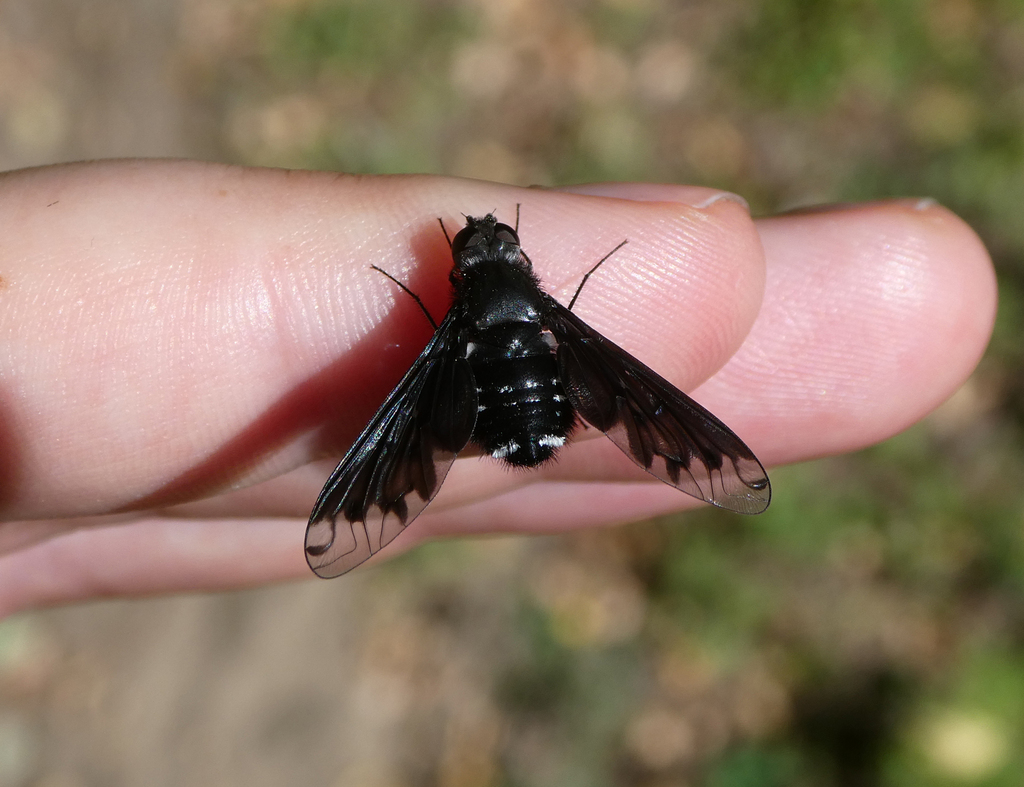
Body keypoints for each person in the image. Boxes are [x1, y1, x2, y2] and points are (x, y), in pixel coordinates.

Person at [0, 160, 997, 616]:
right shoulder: (541, 314)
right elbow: (614, 389)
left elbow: (440, 367)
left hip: (495, 402)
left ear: (470, 282)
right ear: (525, 278)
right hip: (536, 410)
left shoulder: (462, 317)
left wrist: (449, 362)